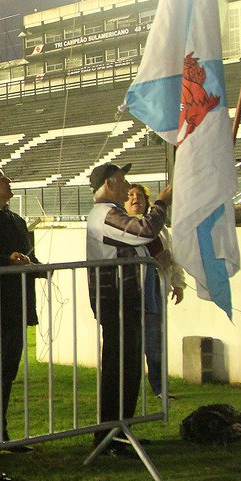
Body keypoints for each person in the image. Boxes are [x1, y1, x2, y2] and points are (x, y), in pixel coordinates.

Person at [86, 162, 171, 455]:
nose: (127, 186)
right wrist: (161, 203)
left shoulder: (108, 213)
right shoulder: (105, 215)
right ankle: (110, 436)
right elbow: (144, 230)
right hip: (117, 302)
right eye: (122, 180)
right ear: (110, 183)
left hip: (125, 301)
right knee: (119, 370)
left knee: (128, 370)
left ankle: (120, 432)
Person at [0, 169, 41, 452]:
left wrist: (38, 267)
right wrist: (8, 261)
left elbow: (29, 256)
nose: (9, 182)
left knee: (7, 375)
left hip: (17, 307)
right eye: (3, 178)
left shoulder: (17, 220)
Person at [126, 183, 184, 398]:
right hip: (134, 293)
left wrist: (178, 283)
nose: (136, 199)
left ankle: (160, 387)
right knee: (133, 343)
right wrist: (153, 262)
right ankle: (128, 388)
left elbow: (172, 256)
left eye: (139, 195)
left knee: (155, 341)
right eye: (131, 195)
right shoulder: (124, 226)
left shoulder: (161, 229)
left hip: (158, 290)